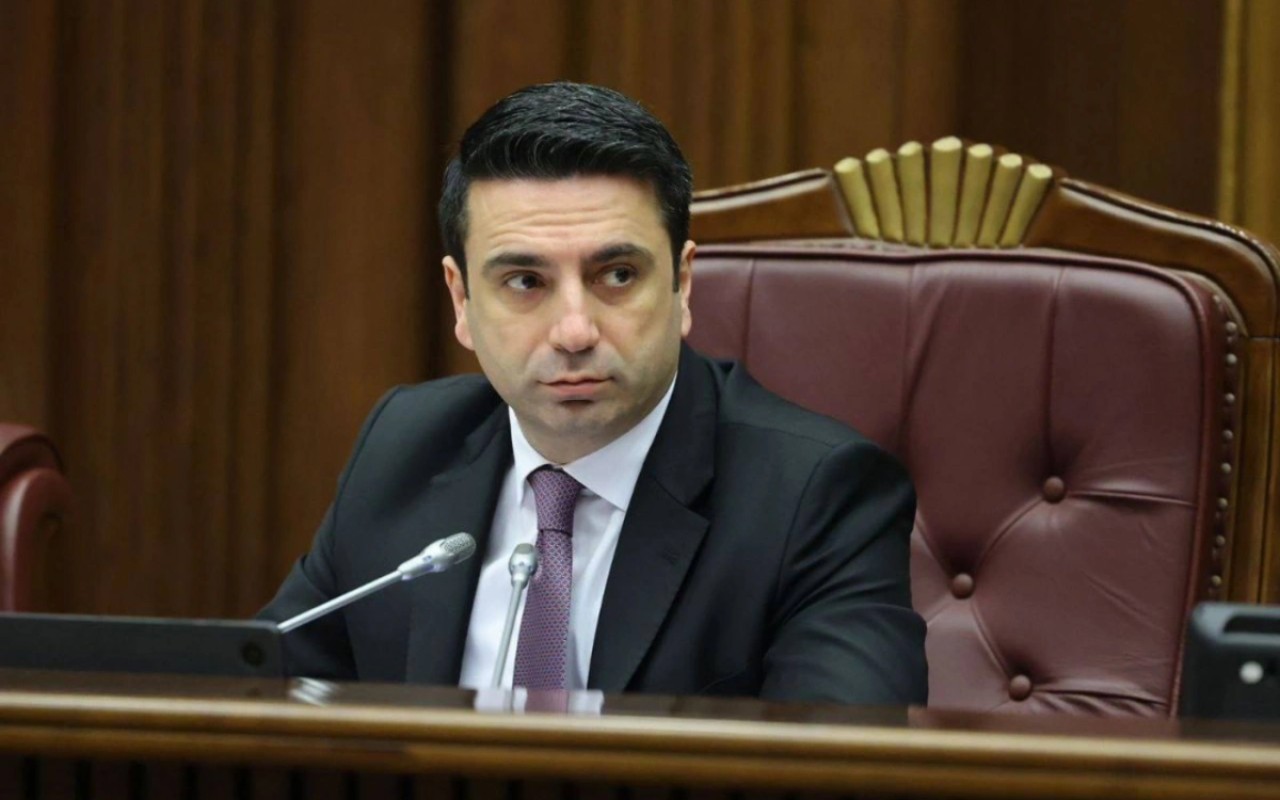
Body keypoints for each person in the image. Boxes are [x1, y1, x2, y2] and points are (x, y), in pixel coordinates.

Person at [259, 82, 927, 706]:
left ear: (683, 284)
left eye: (617, 274)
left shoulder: (815, 497)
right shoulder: (404, 448)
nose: (574, 331)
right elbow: (256, 694)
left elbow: (842, 759)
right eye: (525, 282)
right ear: (461, 300)